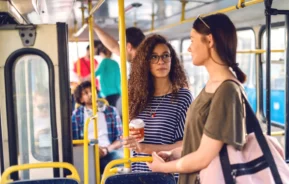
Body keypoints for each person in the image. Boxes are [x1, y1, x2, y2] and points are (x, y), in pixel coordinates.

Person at [146, 13, 247, 184]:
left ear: (209, 41)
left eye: (192, 40)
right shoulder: (212, 85)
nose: (189, 48)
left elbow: (203, 158)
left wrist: (162, 168)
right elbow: (202, 143)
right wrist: (175, 153)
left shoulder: (227, 90)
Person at [122, 34, 193, 178]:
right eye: (154, 57)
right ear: (145, 63)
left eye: (165, 56)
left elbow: (186, 144)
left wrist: (145, 148)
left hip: (167, 176)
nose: (161, 61)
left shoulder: (182, 97)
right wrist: (129, 141)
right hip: (139, 173)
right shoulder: (136, 98)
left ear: (172, 61)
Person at [71, 81, 122, 174]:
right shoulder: (77, 115)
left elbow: (120, 138)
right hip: (87, 152)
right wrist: (93, 150)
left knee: (121, 164)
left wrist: (106, 149)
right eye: (86, 93)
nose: (90, 94)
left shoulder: (111, 111)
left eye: (92, 91)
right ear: (81, 99)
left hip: (109, 151)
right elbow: (75, 140)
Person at [95, 42, 121, 106]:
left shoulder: (104, 61)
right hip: (116, 92)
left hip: (106, 93)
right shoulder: (115, 63)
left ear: (102, 53)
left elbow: (95, 73)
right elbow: (118, 79)